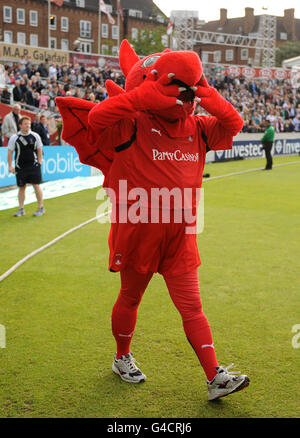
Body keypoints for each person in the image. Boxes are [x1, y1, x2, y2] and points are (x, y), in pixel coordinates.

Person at [56, 40, 250, 402]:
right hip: (138, 229)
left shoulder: (199, 127)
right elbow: (97, 119)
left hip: (180, 235)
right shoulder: (132, 121)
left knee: (192, 306)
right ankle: (121, 358)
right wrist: (143, 96)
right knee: (130, 298)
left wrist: (207, 94)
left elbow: (233, 123)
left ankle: (215, 377)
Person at [7, 116, 45, 217]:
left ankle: (41, 208)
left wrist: (39, 163)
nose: (28, 126)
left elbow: (39, 150)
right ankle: (21, 209)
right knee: (21, 187)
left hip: (33, 166)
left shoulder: (35, 136)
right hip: (20, 167)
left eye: (29, 124)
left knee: (36, 185)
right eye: (25, 124)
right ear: (20, 125)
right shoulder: (14, 138)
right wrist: (10, 166)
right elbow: (10, 153)